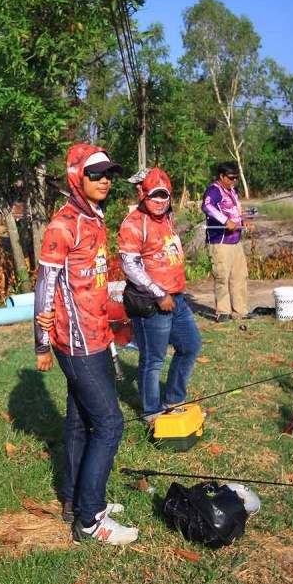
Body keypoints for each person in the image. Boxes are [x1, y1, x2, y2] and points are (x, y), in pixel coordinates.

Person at [33, 144, 139, 546]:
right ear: (77, 177)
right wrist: (41, 344)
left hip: (97, 334)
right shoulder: (63, 225)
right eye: (96, 174)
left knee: (80, 422)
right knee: (110, 424)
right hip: (76, 344)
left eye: (109, 173)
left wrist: (117, 312)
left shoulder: (94, 218)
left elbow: (87, 282)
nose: (106, 180)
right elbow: (46, 286)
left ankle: (75, 500)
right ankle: (91, 520)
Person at [118, 167, 201, 423]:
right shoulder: (133, 223)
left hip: (177, 299)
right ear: (142, 195)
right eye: (154, 195)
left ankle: (173, 399)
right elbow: (129, 265)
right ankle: (151, 411)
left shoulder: (167, 218)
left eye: (164, 195)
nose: (160, 201)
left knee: (190, 346)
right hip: (152, 304)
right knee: (153, 359)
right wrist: (159, 293)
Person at [201, 161, 254, 322]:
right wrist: (225, 221)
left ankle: (241, 311)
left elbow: (236, 210)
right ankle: (223, 312)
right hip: (220, 242)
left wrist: (243, 221)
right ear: (221, 176)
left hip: (236, 241)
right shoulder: (214, 190)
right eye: (231, 178)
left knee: (240, 276)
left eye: (236, 178)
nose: (234, 181)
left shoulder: (233, 191)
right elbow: (207, 206)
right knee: (222, 277)